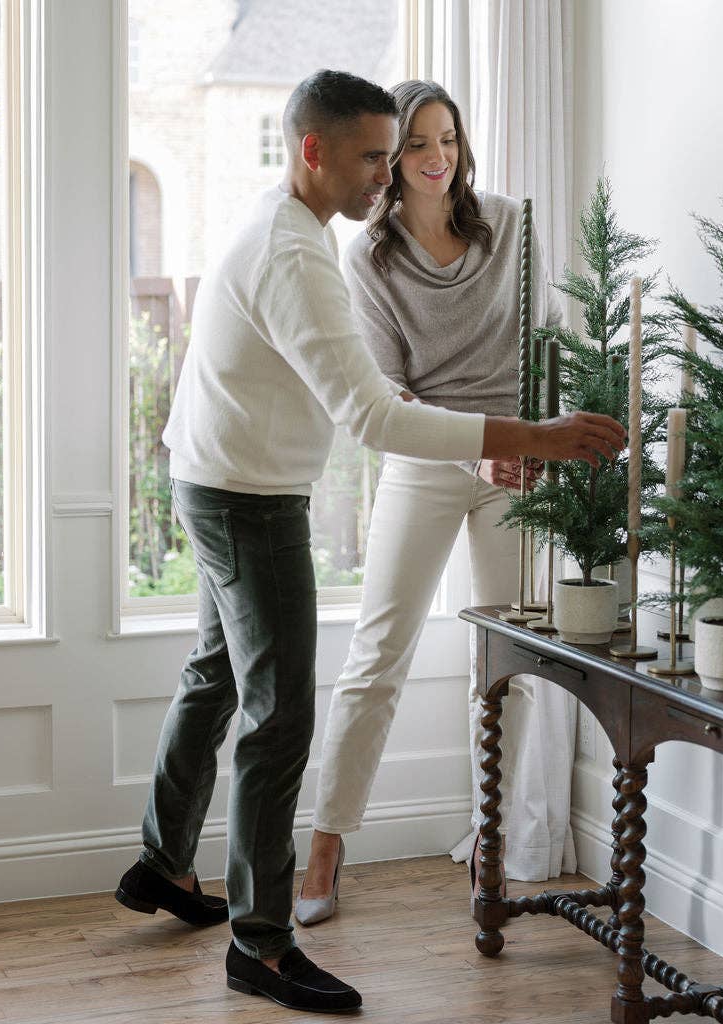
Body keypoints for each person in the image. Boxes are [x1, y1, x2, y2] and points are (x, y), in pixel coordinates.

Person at [113, 68, 625, 1016]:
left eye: (403, 153)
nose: (388, 175)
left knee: (215, 674)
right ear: (314, 151)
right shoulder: (303, 254)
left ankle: (163, 862)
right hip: (248, 497)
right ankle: (262, 946)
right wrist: (535, 437)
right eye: (375, 156)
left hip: (212, 471)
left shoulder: (293, 223)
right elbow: (374, 415)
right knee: (279, 716)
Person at [295, 80, 578, 929]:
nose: (435, 157)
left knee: (509, 662)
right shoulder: (370, 260)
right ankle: (325, 844)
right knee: (377, 654)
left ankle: (494, 832)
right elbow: (387, 394)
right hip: (426, 459)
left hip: (518, 466)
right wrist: (475, 449)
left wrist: (533, 443)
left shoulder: (511, 225)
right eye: (416, 143)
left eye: (446, 138)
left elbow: (550, 339)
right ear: (391, 159)